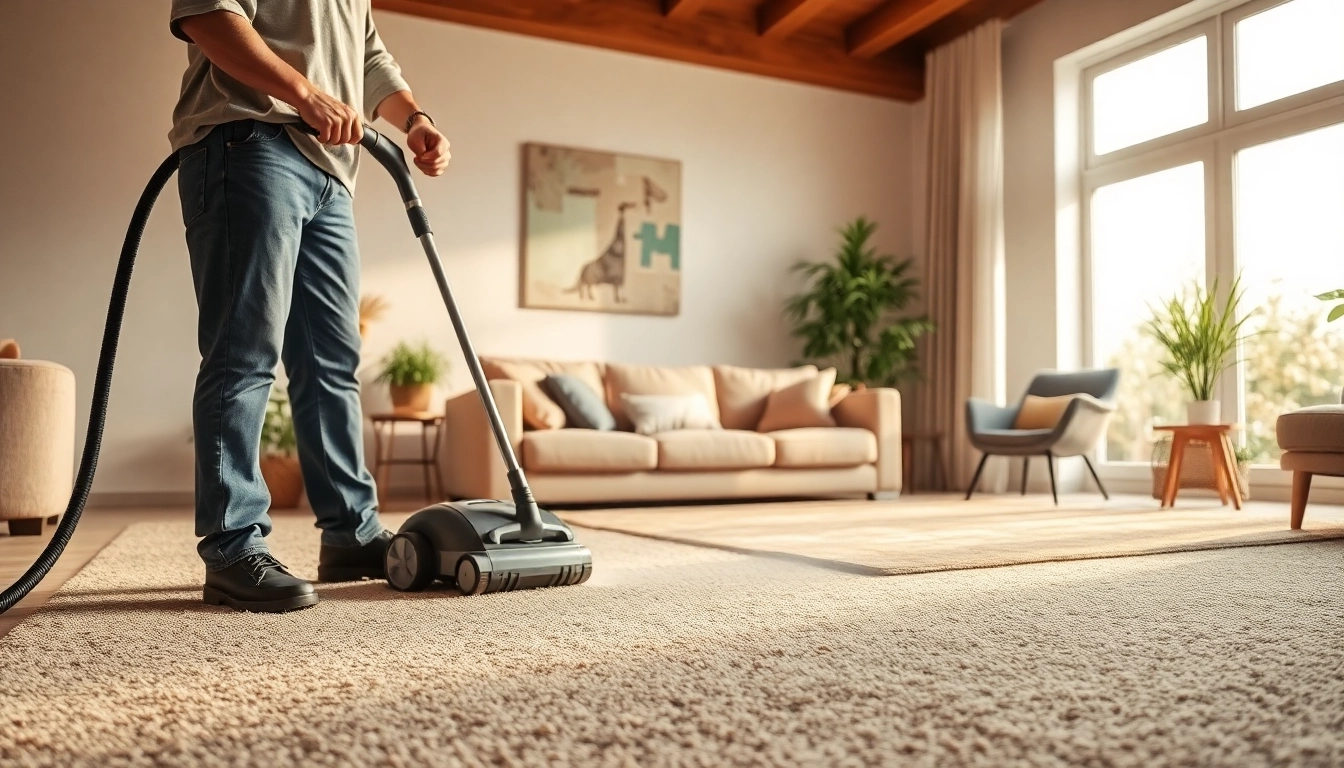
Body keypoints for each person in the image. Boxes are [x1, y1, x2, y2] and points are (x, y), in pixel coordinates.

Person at [167, 1, 450, 613]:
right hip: (251, 142)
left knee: (331, 363)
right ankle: (233, 545)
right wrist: (305, 94)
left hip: (333, 175)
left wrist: (414, 119)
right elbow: (208, 17)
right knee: (244, 351)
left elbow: (370, 57)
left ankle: (351, 533)